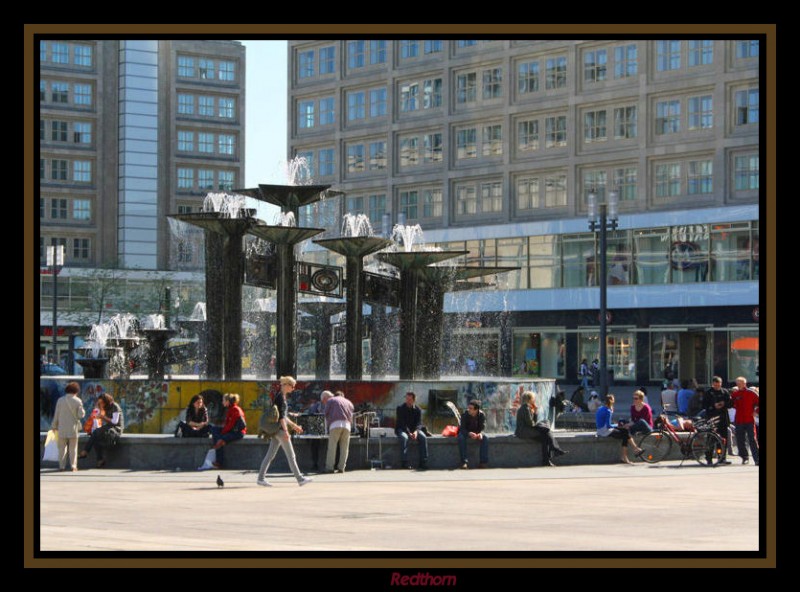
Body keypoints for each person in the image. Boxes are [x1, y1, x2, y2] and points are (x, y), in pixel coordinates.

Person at [256, 376, 313, 487]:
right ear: (286, 385)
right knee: (291, 456)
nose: (293, 388)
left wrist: (295, 426)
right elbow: (281, 417)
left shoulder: (280, 396)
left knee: (270, 455)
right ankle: (300, 479)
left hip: (277, 431)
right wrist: (286, 431)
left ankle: (260, 478)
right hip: (281, 431)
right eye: (292, 386)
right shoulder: (281, 398)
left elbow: (284, 416)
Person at [514, 391, 566, 466]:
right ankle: (554, 449)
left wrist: (535, 414)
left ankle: (547, 459)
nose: (534, 400)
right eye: (533, 398)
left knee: (545, 436)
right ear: (529, 399)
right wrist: (535, 413)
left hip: (525, 430)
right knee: (546, 430)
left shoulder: (525, 407)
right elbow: (531, 424)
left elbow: (531, 423)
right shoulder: (525, 408)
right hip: (523, 432)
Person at [79, 393, 123, 468]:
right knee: (95, 437)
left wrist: (103, 417)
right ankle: (100, 460)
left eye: (101, 403)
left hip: (116, 429)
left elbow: (115, 422)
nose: (101, 404)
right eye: (100, 403)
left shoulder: (115, 406)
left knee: (96, 432)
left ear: (106, 401)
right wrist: (97, 407)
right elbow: (96, 412)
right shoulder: (106, 407)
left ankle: (86, 451)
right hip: (108, 427)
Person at [596, 394, 644, 464]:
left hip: (600, 430)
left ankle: (633, 450)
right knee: (625, 434)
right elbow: (609, 425)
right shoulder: (608, 411)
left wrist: (618, 426)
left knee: (625, 432)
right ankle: (629, 453)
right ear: (612, 401)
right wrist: (618, 425)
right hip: (605, 431)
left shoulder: (601, 408)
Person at [51, 382, 85, 472]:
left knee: (62, 448)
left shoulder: (60, 400)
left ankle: (61, 467)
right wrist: (83, 411)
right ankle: (73, 466)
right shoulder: (78, 401)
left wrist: (54, 426)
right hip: (72, 429)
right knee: (73, 448)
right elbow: (80, 415)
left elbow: (56, 414)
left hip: (62, 428)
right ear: (76, 391)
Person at [208, 393, 246, 469]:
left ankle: (219, 462)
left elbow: (230, 425)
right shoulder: (231, 409)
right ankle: (219, 460)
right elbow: (228, 425)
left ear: (228, 401)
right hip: (232, 431)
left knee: (220, 440)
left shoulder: (235, 409)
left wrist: (221, 434)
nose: (222, 402)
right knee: (214, 429)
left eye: (223, 400)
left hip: (238, 433)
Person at [322, 390, 354, 473]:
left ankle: (330, 468)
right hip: (347, 426)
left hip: (335, 425)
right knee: (344, 448)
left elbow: (325, 413)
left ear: (335, 395)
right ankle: (341, 468)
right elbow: (351, 417)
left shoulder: (331, 400)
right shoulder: (349, 402)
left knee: (332, 447)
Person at [395, 392, 428, 470]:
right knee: (404, 438)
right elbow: (401, 423)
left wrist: (416, 432)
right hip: (402, 429)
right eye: (406, 399)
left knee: (423, 437)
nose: (408, 401)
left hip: (414, 430)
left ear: (413, 400)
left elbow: (419, 423)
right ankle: (404, 462)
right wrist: (409, 433)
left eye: (409, 399)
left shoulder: (418, 410)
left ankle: (423, 462)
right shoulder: (400, 408)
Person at [731, 376, 760, 465]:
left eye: (740, 383)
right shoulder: (735, 395)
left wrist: (756, 412)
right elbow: (731, 404)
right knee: (740, 440)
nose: (738, 385)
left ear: (744, 383)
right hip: (739, 420)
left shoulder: (751, 393)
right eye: (737, 383)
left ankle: (757, 459)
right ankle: (744, 457)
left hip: (749, 420)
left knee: (752, 439)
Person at [703, 376, 732, 465]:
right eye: (715, 385)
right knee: (711, 439)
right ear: (713, 384)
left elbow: (730, 403)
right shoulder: (708, 393)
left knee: (723, 440)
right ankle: (709, 458)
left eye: (718, 385)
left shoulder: (725, 392)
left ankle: (721, 457)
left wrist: (724, 404)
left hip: (723, 419)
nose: (717, 386)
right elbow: (704, 405)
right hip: (712, 418)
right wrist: (713, 405)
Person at [458, 399, 489, 469]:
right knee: (461, 437)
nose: (468, 409)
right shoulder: (465, 414)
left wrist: (481, 433)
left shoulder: (481, 415)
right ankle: (464, 462)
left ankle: (483, 462)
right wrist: (469, 433)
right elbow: (462, 428)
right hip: (466, 432)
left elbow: (483, 427)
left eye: (471, 408)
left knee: (485, 438)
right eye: (468, 408)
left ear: (476, 410)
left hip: (477, 432)